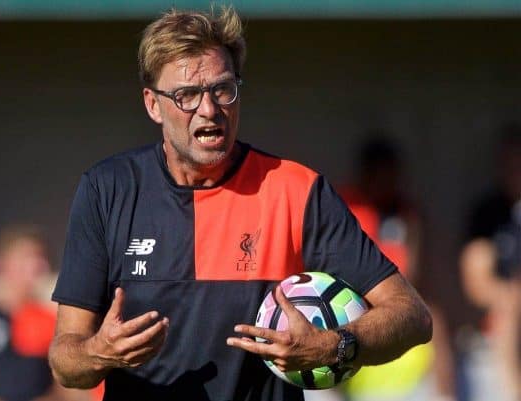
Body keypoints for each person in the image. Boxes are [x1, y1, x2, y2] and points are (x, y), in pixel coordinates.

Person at [48, 7, 432, 401]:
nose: (210, 109)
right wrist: (98, 353)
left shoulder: (295, 189)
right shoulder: (107, 189)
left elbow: (412, 316)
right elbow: (65, 361)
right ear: (152, 104)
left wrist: (334, 346)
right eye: (187, 95)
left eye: (223, 89)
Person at [340, 136, 457, 401]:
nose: (385, 184)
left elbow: (412, 277)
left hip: (408, 368)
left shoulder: (406, 215)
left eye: (390, 176)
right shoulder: (345, 210)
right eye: (378, 175)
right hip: (355, 360)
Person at [0, 224, 89, 401]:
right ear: (2, 264)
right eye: (27, 259)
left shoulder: (53, 321)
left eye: (41, 259)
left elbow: (71, 385)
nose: (38, 267)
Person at [459, 124, 521, 401]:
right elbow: (476, 281)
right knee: (507, 312)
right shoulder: (488, 213)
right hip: (500, 326)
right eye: (510, 163)